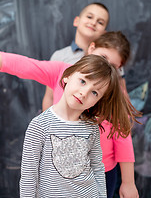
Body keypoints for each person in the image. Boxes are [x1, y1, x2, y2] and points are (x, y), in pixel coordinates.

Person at [0, 31, 140, 198]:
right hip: (56, 178)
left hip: (102, 171)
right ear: (91, 48)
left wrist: (128, 181)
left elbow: (122, 134)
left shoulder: (109, 94)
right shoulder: (63, 71)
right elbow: (26, 65)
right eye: (103, 58)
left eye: (113, 66)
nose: (105, 67)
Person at [42, 2, 110, 111]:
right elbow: (49, 96)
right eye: (89, 17)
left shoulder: (106, 61)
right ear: (76, 21)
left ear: (104, 33)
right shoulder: (59, 56)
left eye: (100, 22)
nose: (93, 23)